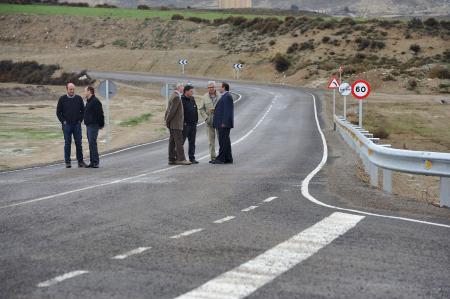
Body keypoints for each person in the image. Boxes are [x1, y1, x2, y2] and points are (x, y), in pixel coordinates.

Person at [56, 83, 87, 168]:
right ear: (67, 89)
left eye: (73, 89)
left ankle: (80, 162)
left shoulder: (79, 98)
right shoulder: (62, 99)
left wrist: (80, 120)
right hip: (67, 126)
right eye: (70, 89)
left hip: (77, 125)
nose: (72, 91)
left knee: (79, 143)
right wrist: (63, 121)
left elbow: (83, 111)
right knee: (67, 143)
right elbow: (58, 112)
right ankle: (67, 162)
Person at [165, 83, 191, 165]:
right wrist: (167, 121)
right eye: (182, 86)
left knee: (172, 142)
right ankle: (181, 159)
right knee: (179, 141)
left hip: (173, 124)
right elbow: (172, 111)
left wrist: (167, 121)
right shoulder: (176, 97)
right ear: (179, 87)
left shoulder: (174, 95)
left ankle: (171, 159)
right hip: (176, 124)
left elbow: (168, 110)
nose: (183, 88)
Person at [212, 82, 234, 164]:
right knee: (226, 141)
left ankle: (221, 159)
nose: (218, 88)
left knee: (223, 141)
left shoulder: (227, 96)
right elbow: (223, 109)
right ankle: (228, 158)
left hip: (223, 123)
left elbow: (228, 111)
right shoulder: (225, 96)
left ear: (224, 87)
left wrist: (224, 122)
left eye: (220, 87)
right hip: (222, 123)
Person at [199, 81, 220, 163]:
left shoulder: (220, 96)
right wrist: (206, 118)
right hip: (209, 122)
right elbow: (201, 109)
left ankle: (221, 156)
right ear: (207, 88)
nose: (211, 89)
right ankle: (213, 157)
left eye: (212, 87)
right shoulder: (204, 97)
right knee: (211, 141)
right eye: (209, 87)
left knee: (220, 139)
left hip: (219, 121)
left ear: (215, 87)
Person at [83, 86, 104, 168]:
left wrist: (101, 124)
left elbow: (100, 114)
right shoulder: (88, 101)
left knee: (92, 143)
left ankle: (95, 162)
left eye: (85, 91)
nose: (84, 93)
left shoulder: (95, 101)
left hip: (94, 125)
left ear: (89, 91)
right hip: (89, 125)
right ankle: (92, 162)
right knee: (91, 144)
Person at [181, 85, 199, 164]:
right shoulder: (181, 100)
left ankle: (192, 158)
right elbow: (180, 113)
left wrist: (196, 120)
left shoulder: (192, 99)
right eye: (191, 91)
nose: (192, 93)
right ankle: (179, 157)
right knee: (181, 142)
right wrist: (183, 122)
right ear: (186, 91)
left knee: (192, 142)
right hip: (185, 125)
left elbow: (195, 109)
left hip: (193, 124)